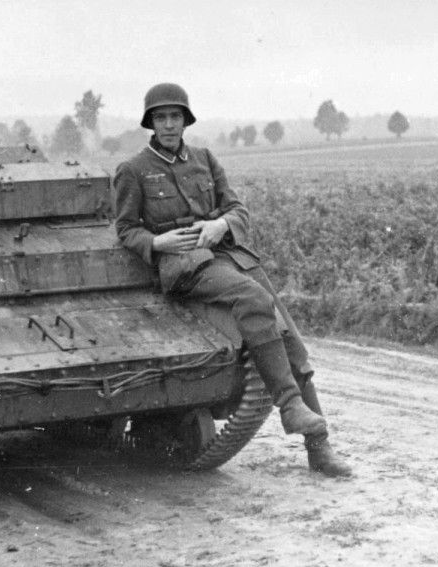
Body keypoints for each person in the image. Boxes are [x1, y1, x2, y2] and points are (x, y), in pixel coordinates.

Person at [113, 82, 351, 477]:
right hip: (185, 264)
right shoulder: (134, 170)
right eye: (161, 118)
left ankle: (319, 447)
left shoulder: (205, 159)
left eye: (175, 117)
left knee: (292, 343)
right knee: (254, 299)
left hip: (229, 254)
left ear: (185, 121)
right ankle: (290, 406)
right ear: (151, 123)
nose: (169, 125)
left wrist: (220, 223)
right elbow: (124, 229)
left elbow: (237, 209)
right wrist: (157, 241)